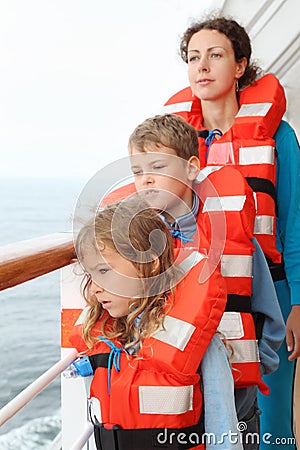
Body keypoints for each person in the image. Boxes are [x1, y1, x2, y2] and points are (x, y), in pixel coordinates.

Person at [162, 15, 300, 449]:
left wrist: (297, 303)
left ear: (240, 66)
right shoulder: (178, 142)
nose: (202, 66)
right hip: (195, 293)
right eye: (193, 57)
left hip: (268, 297)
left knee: (272, 425)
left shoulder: (278, 137)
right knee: (208, 423)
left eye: (215, 55)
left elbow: (294, 225)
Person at [126, 113, 285, 450]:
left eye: (159, 167)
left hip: (236, 388)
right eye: (138, 172)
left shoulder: (230, 231)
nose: (146, 181)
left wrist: (256, 364)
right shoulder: (139, 242)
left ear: (191, 168)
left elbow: (265, 306)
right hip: (171, 385)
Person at [69, 197, 242, 450]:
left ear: (150, 264)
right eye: (91, 275)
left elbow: (222, 428)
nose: (95, 288)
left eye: (104, 272)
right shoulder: (107, 338)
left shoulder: (198, 343)